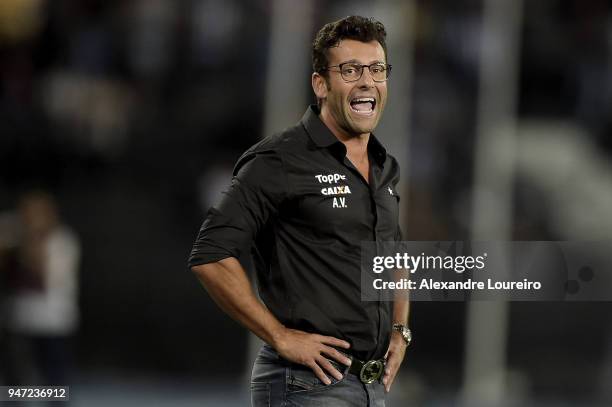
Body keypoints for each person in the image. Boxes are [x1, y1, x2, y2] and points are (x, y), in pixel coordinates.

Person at [189, 16, 411, 406]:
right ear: (320, 84)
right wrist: (279, 335)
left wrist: (400, 329)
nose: (366, 81)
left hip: (373, 387)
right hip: (307, 385)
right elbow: (211, 255)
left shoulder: (385, 165)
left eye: (376, 69)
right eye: (350, 70)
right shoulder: (280, 159)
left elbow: (393, 254)